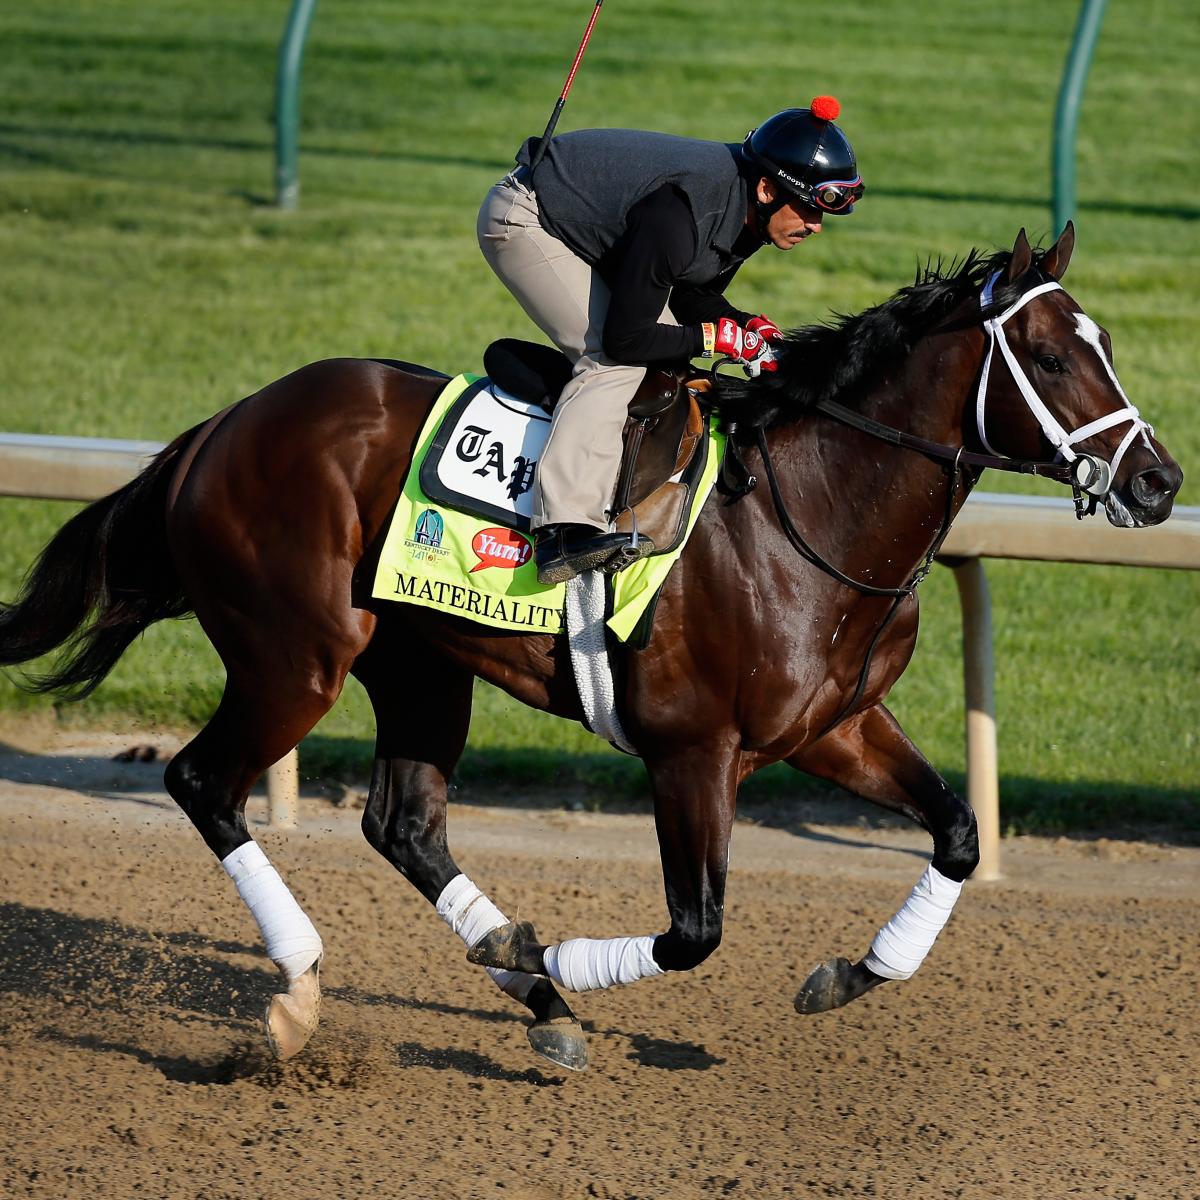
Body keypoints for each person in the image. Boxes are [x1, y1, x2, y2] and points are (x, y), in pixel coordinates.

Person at [477, 96, 863, 584]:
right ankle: (565, 530)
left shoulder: (745, 207)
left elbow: (687, 292)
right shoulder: (683, 212)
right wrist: (713, 338)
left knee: (667, 362)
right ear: (767, 188)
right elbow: (626, 338)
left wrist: (739, 324)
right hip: (526, 217)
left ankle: (562, 394)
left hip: (595, 230)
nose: (815, 225)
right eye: (808, 209)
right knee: (610, 363)